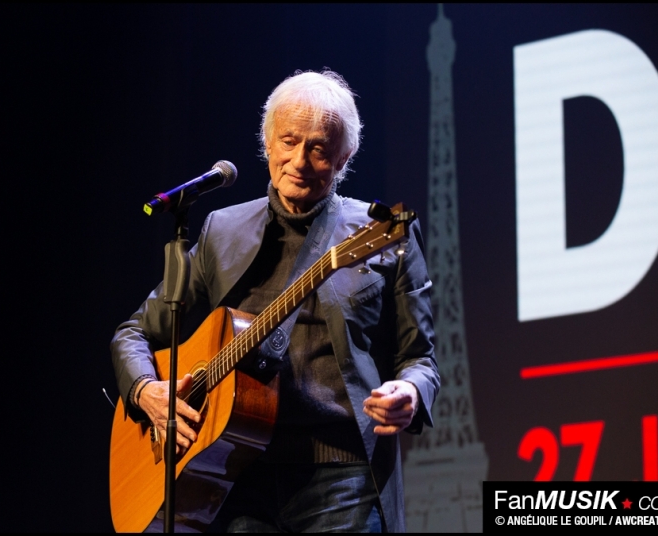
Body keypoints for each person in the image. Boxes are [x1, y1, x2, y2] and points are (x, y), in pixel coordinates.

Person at [111, 69, 439, 533]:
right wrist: (147, 390)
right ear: (267, 143)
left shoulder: (379, 234)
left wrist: (409, 392)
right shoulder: (221, 232)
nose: (299, 160)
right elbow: (134, 334)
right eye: (288, 141)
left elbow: (420, 360)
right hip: (233, 475)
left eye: (319, 148)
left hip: (342, 478)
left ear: (344, 157)